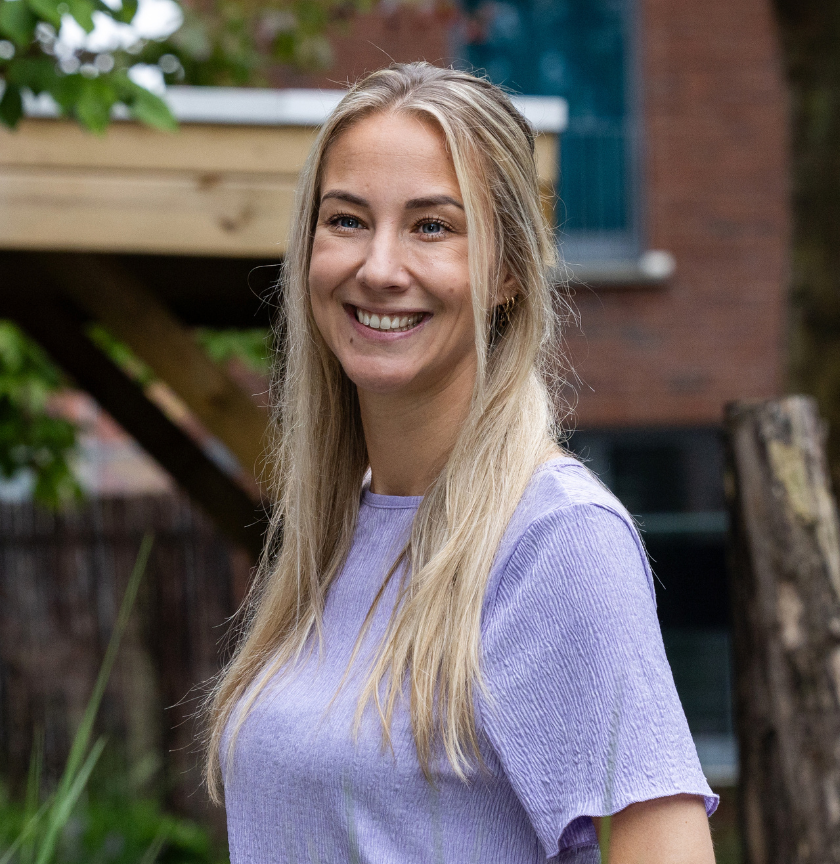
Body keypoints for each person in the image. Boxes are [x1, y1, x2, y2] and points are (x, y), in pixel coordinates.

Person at [203, 62, 719, 863]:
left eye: (432, 227)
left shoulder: (557, 542)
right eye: (347, 220)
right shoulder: (335, 532)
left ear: (507, 269)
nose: (379, 267)